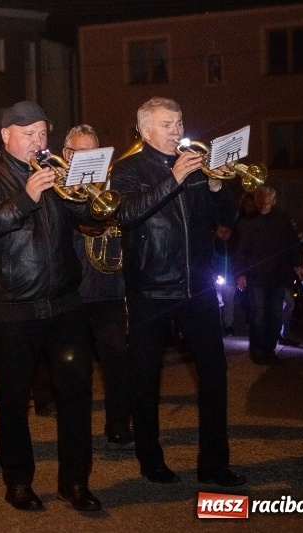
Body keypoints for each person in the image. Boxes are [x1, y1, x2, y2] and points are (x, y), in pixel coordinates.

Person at [0, 101, 101, 512]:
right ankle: (18, 481)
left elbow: (89, 214)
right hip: (11, 308)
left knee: (77, 395)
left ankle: (74, 482)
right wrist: (25, 197)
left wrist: (84, 189)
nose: (39, 142)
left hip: (64, 304)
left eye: (43, 133)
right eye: (29, 134)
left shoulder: (55, 173)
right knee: (13, 400)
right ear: (6, 136)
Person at [109, 97, 245, 487]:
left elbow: (229, 220)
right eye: (167, 124)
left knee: (215, 375)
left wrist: (217, 185)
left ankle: (214, 464)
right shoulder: (127, 169)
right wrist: (175, 180)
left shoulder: (198, 168)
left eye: (180, 122)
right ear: (145, 130)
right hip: (151, 288)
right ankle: (151, 460)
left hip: (198, 287)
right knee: (146, 379)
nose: (177, 131)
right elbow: (127, 214)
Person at [62, 124, 134, 450]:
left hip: (109, 290)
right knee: (75, 370)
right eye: (80, 153)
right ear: (66, 155)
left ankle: (118, 424)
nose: (88, 159)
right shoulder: (58, 190)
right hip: (72, 294)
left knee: (118, 360)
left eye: (94, 153)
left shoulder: (112, 186)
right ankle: (77, 433)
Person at [234, 186, 303, 364]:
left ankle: (269, 350)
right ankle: (257, 350)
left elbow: (292, 243)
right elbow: (240, 250)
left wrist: (298, 264)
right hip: (257, 277)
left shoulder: (282, 220)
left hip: (278, 275)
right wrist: (241, 273)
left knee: (275, 314)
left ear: (273, 202)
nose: (264, 206)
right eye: (262, 203)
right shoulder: (248, 223)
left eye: (268, 203)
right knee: (258, 315)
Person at [213, 225, 237, 336]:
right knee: (217, 302)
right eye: (221, 231)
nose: (224, 234)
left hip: (231, 278)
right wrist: (215, 274)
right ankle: (217, 324)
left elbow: (238, 262)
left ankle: (228, 325)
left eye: (226, 231)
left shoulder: (234, 245)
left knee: (229, 302)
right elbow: (209, 261)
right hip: (216, 279)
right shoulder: (212, 245)